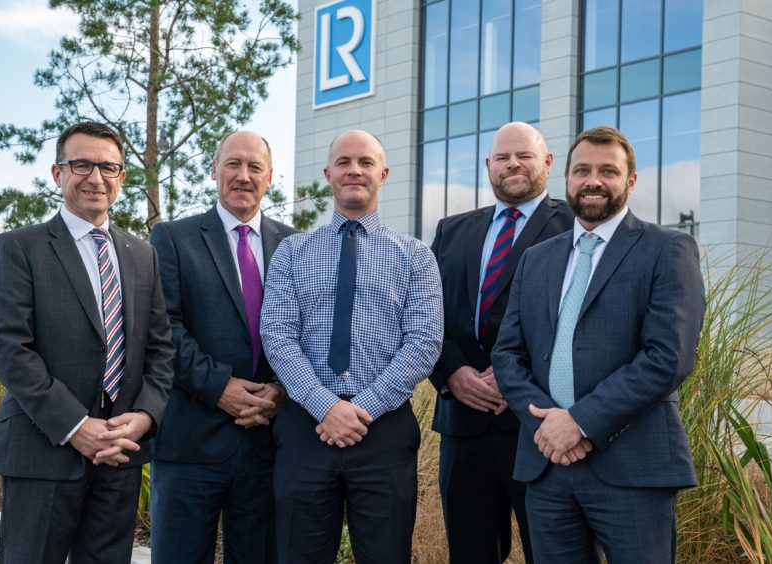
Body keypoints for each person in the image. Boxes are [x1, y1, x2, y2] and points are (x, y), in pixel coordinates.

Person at [492, 126, 705, 563]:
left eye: (608, 171)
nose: (593, 181)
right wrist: (548, 427)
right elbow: (508, 355)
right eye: (582, 170)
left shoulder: (668, 249)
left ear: (630, 181)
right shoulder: (537, 259)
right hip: (547, 465)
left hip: (633, 468)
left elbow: (668, 358)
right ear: (566, 179)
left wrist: (581, 422)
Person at [0, 121, 174, 564]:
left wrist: (144, 417)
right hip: (43, 449)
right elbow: (10, 349)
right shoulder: (18, 248)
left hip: (120, 454)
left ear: (122, 177)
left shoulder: (142, 255)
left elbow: (161, 349)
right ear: (57, 173)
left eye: (108, 167)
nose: (96, 177)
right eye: (81, 164)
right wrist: (75, 426)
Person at [260, 129, 443, 563]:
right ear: (328, 174)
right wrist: (325, 406)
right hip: (306, 427)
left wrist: (362, 408)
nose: (354, 170)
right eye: (343, 162)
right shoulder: (291, 252)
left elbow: (424, 341)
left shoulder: (415, 256)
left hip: (383, 432)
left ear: (383, 173)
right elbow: (278, 335)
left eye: (365, 162)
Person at [148, 130, 297, 563]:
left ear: (270, 177)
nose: (243, 176)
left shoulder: (295, 244)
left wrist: (282, 390)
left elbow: (307, 330)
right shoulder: (173, 238)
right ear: (214, 169)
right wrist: (221, 389)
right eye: (233, 164)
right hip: (190, 442)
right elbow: (165, 329)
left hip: (267, 443)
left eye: (255, 167)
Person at [429, 121, 573, 563]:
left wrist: (514, 377)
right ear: (488, 166)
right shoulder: (451, 231)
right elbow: (425, 315)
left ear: (547, 163)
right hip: (464, 423)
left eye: (524, 156)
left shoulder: (575, 226)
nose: (513, 164)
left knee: (553, 553)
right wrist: (451, 372)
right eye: (503, 158)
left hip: (542, 424)